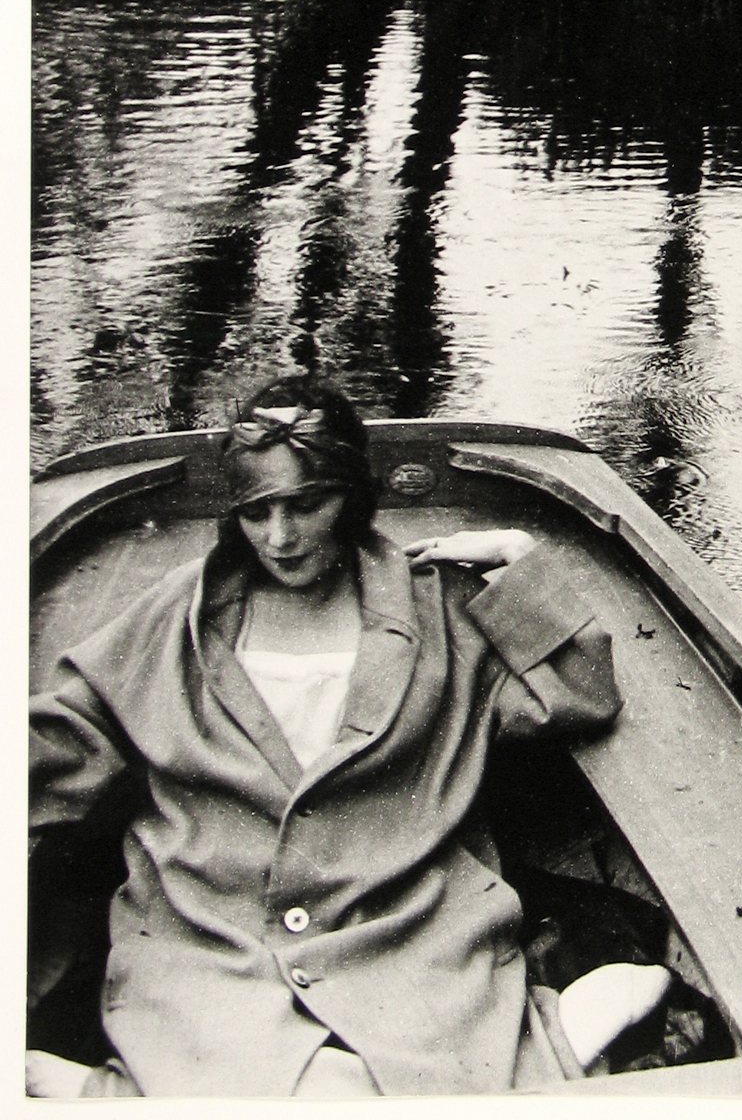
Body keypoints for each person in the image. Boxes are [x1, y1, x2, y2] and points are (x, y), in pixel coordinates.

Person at [28, 375, 669, 1098]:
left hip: (399, 921)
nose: (280, 536)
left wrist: (517, 563)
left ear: (351, 496)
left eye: (306, 505)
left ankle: (96, 1094)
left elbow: (583, 694)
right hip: (213, 926)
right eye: (257, 511)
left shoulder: (437, 602)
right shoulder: (183, 610)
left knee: (403, 1077)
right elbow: (65, 740)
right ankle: (572, 1035)